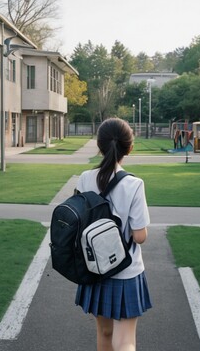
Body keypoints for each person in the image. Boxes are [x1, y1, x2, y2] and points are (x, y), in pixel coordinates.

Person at [75, 117, 152, 351]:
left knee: (104, 333)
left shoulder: (85, 178)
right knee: (125, 340)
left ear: (100, 146)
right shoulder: (134, 184)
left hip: (94, 269)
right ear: (129, 147)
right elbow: (139, 236)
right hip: (125, 270)